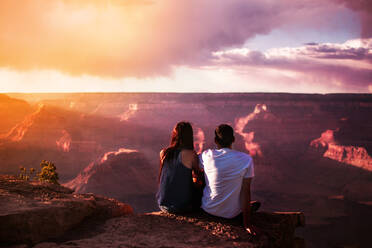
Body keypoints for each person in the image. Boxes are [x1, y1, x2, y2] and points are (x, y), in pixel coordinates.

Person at [199, 124, 259, 235]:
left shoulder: (206, 155)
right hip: (231, 215)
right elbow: (246, 191)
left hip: (208, 210)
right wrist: (247, 224)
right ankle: (247, 207)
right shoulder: (246, 159)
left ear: (215, 140)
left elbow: (194, 167)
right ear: (233, 140)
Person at [156, 121, 203, 214]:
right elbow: (198, 176)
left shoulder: (163, 153)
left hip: (163, 204)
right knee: (202, 181)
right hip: (182, 207)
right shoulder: (190, 154)